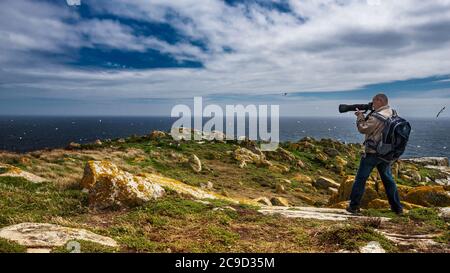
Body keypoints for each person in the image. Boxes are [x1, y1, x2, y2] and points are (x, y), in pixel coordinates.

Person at [347, 93, 403, 215]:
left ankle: (353, 206)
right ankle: (397, 208)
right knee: (388, 180)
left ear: (380, 101)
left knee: (360, 179)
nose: (372, 104)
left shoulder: (377, 116)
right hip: (387, 153)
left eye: (374, 101)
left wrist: (360, 117)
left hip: (373, 153)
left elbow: (363, 128)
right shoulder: (392, 113)